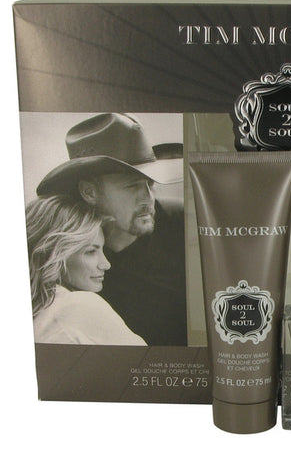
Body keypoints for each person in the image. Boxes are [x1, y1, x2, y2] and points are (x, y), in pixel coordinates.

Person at [35, 113, 187, 346]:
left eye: (150, 183)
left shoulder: (183, 224)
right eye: (132, 186)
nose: (148, 198)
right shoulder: (72, 258)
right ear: (89, 192)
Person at [28, 195, 146, 345]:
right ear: (53, 254)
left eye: (102, 250)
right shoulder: (78, 305)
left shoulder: (41, 312)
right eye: (90, 251)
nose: (106, 264)